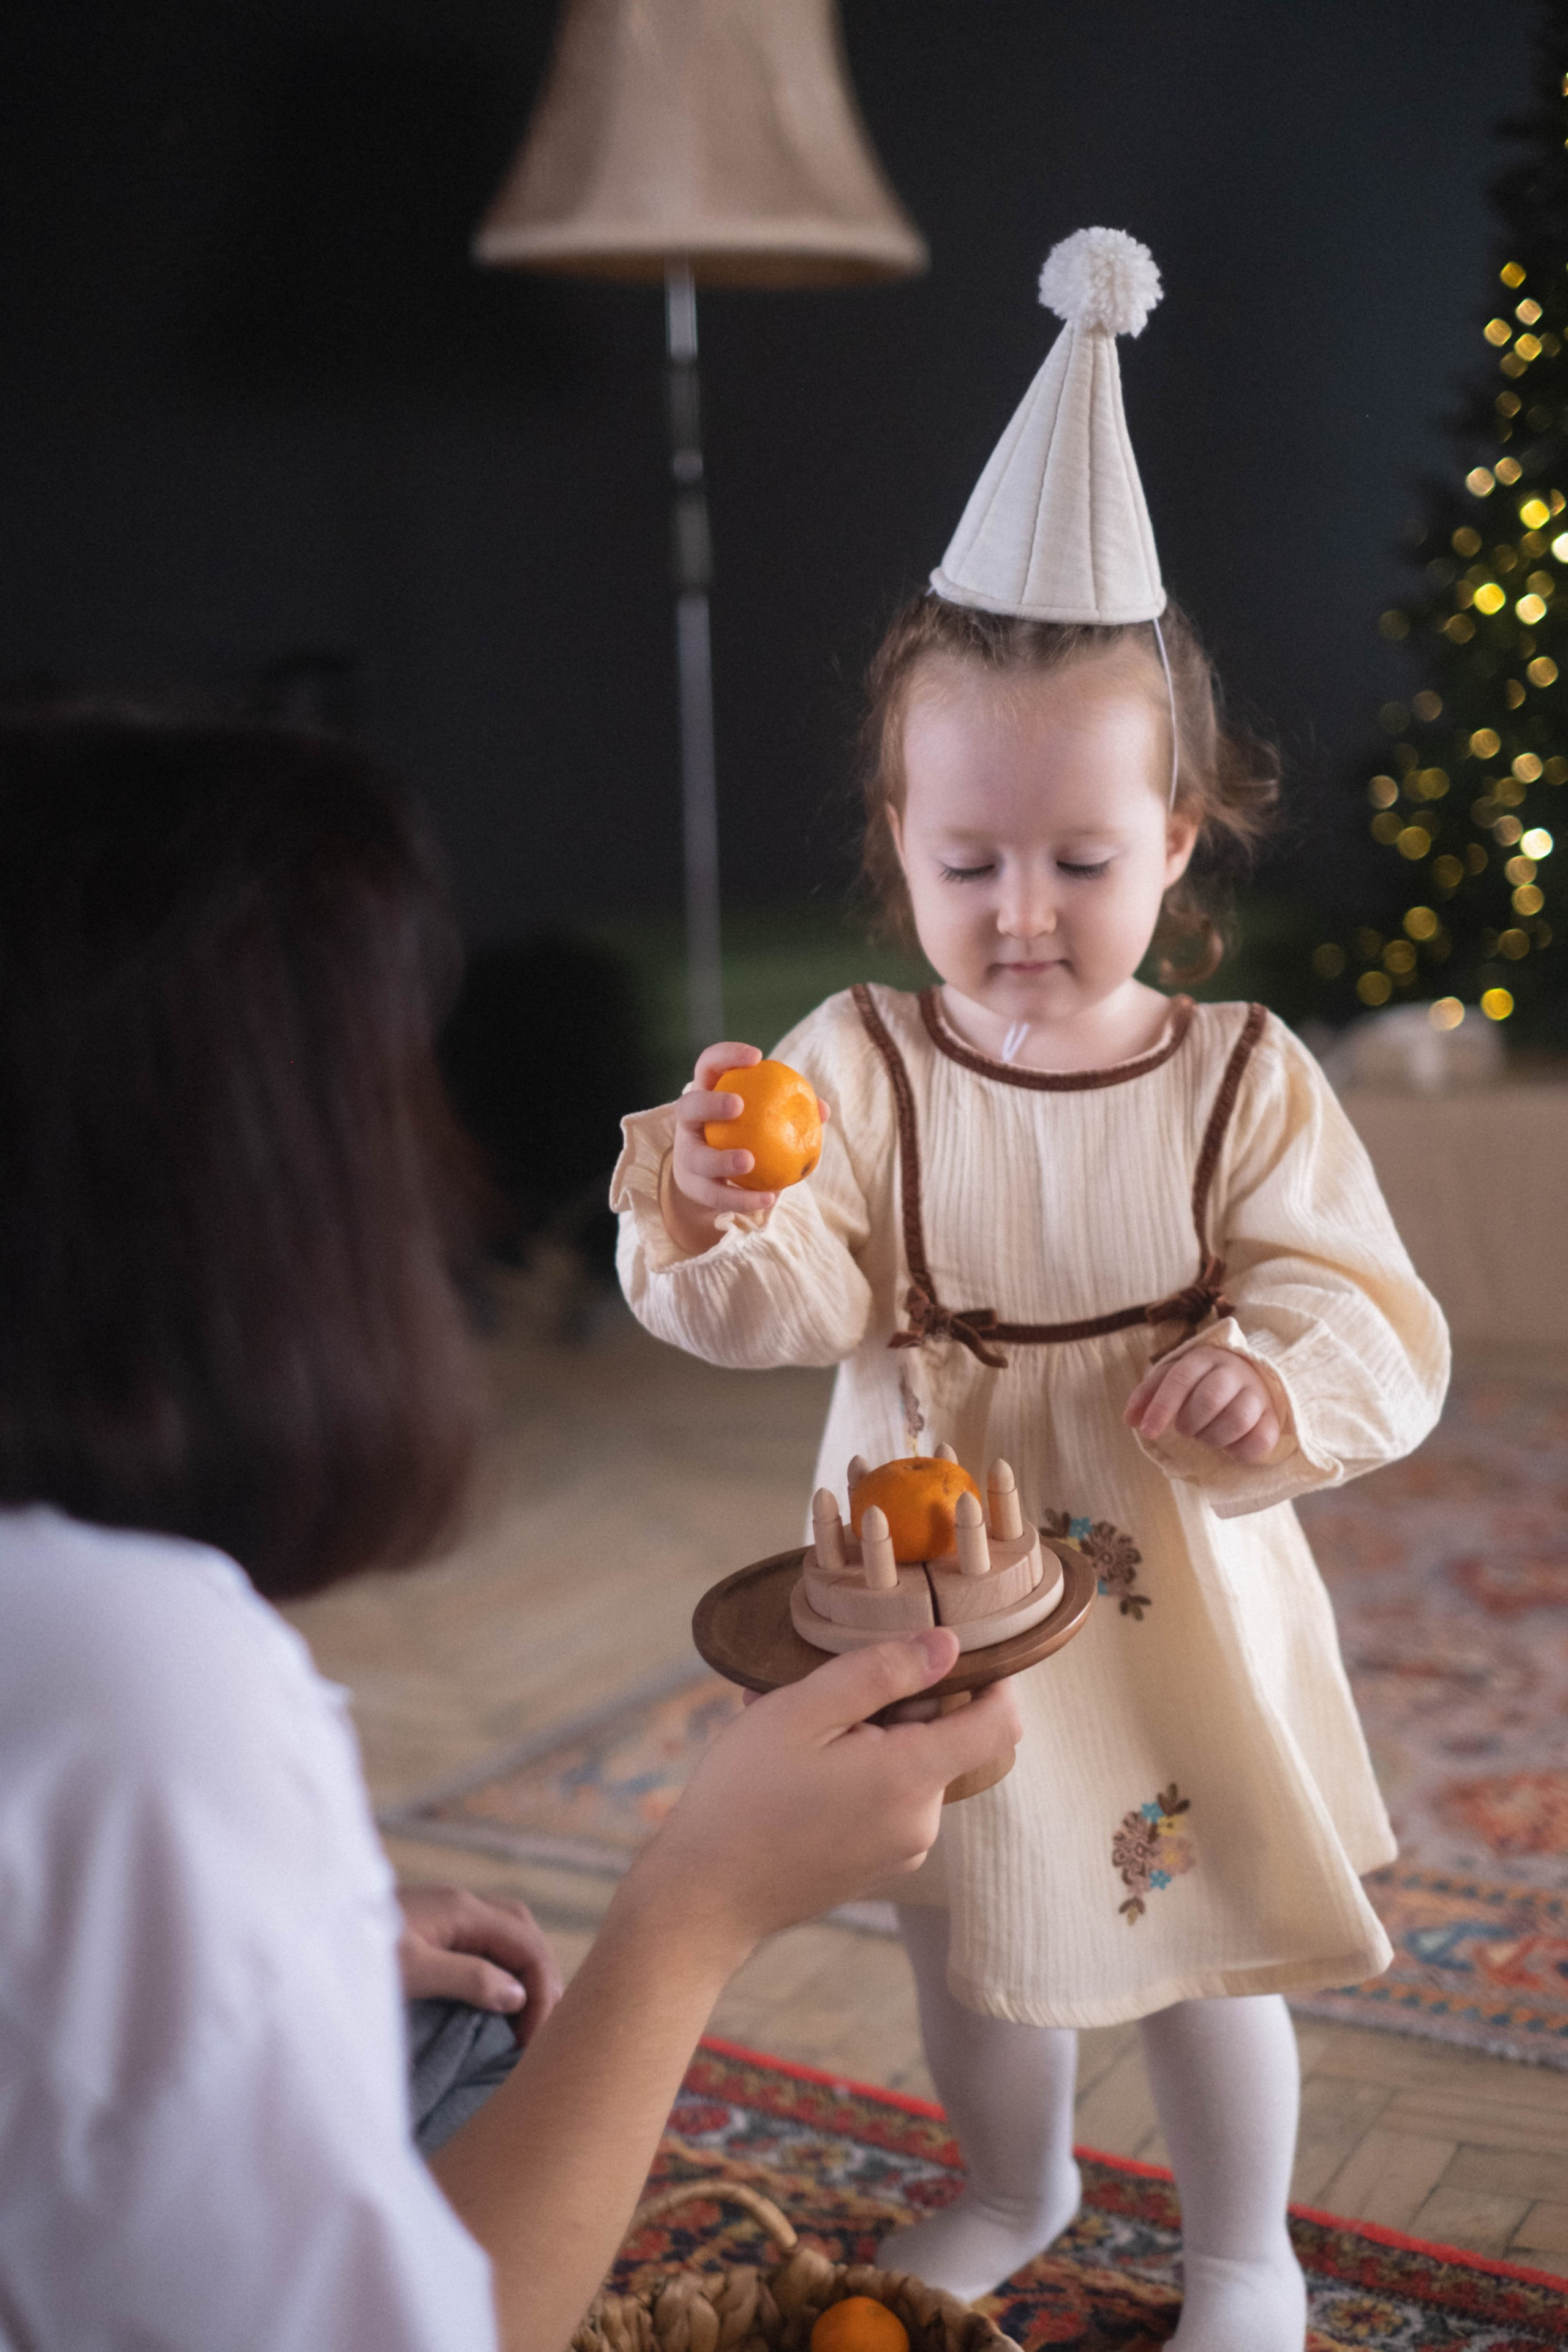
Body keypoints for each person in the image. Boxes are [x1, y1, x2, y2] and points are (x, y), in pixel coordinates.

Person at [613, 230, 1450, 2351]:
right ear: (895, 836)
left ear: (1178, 837)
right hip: (936, 1579)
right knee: (968, 1922)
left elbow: (1353, 1294)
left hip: (1168, 1577)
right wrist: (722, 1203)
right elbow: (785, 1303)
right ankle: (1013, 2178)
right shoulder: (859, 1063)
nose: (1019, 913)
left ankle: (1244, 2247)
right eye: (966, 861)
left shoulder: (1236, 1076)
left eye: (1080, 862)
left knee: (1202, 1922)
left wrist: (1274, 1376)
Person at [0, 713, 1020, 2352]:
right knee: (499, 2065)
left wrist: (300, 1939)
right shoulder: (136, 1680)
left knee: (446, 2038)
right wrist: (694, 1910)